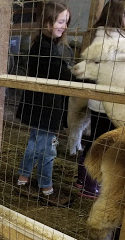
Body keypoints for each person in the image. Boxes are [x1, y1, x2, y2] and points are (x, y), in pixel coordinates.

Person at [16, 1, 73, 202]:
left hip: (39, 108)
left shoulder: (43, 44)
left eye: (66, 22)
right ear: (47, 22)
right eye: (60, 21)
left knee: (35, 142)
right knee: (48, 148)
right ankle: (46, 187)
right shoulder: (45, 50)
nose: (64, 26)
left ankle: (23, 179)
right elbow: (65, 75)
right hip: (46, 109)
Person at [75, 0, 124, 198]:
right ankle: (87, 181)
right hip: (104, 102)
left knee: (103, 141)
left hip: (112, 102)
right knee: (99, 141)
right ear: (115, 14)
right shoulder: (106, 38)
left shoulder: (116, 36)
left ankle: (89, 179)